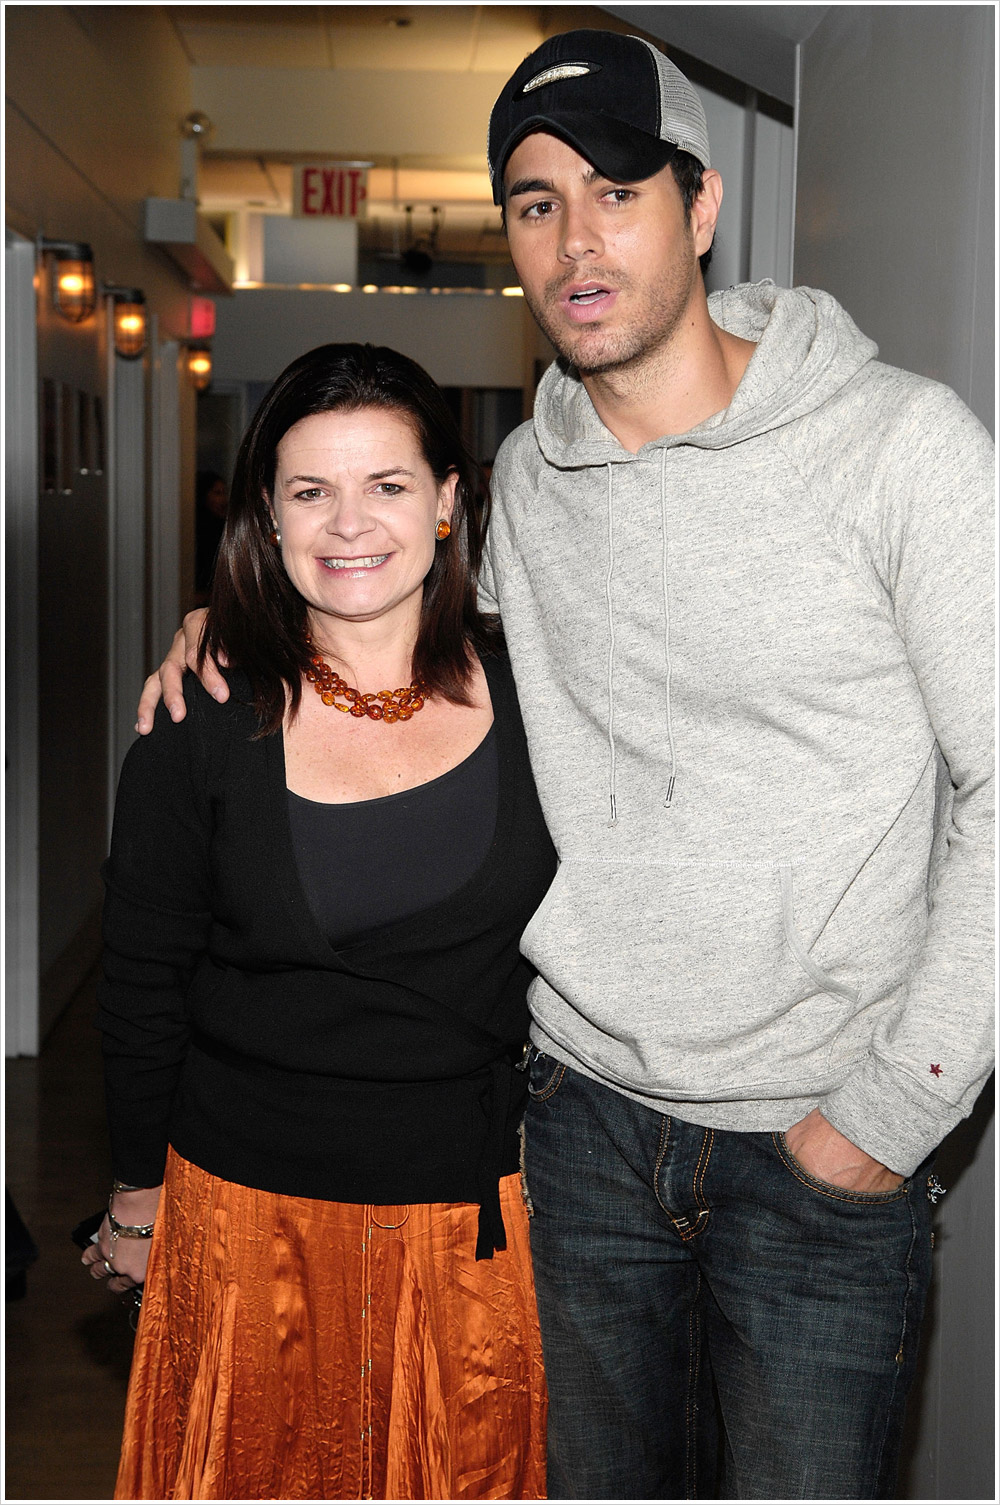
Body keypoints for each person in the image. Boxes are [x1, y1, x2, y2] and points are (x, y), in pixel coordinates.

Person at [140, 30, 994, 1502]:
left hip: (818, 1140)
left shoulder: (902, 448)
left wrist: (889, 1112)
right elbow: (398, 615)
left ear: (700, 205)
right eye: (537, 204)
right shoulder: (529, 484)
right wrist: (240, 611)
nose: (577, 241)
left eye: (617, 192)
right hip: (577, 1128)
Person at [84, 343, 554, 1501]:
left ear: (447, 499)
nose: (349, 523)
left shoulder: (547, 697)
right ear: (267, 513)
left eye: (387, 483)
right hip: (246, 1230)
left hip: (477, 1233)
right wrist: (137, 1200)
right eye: (310, 490)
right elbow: (141, 984)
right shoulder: (198, 723)